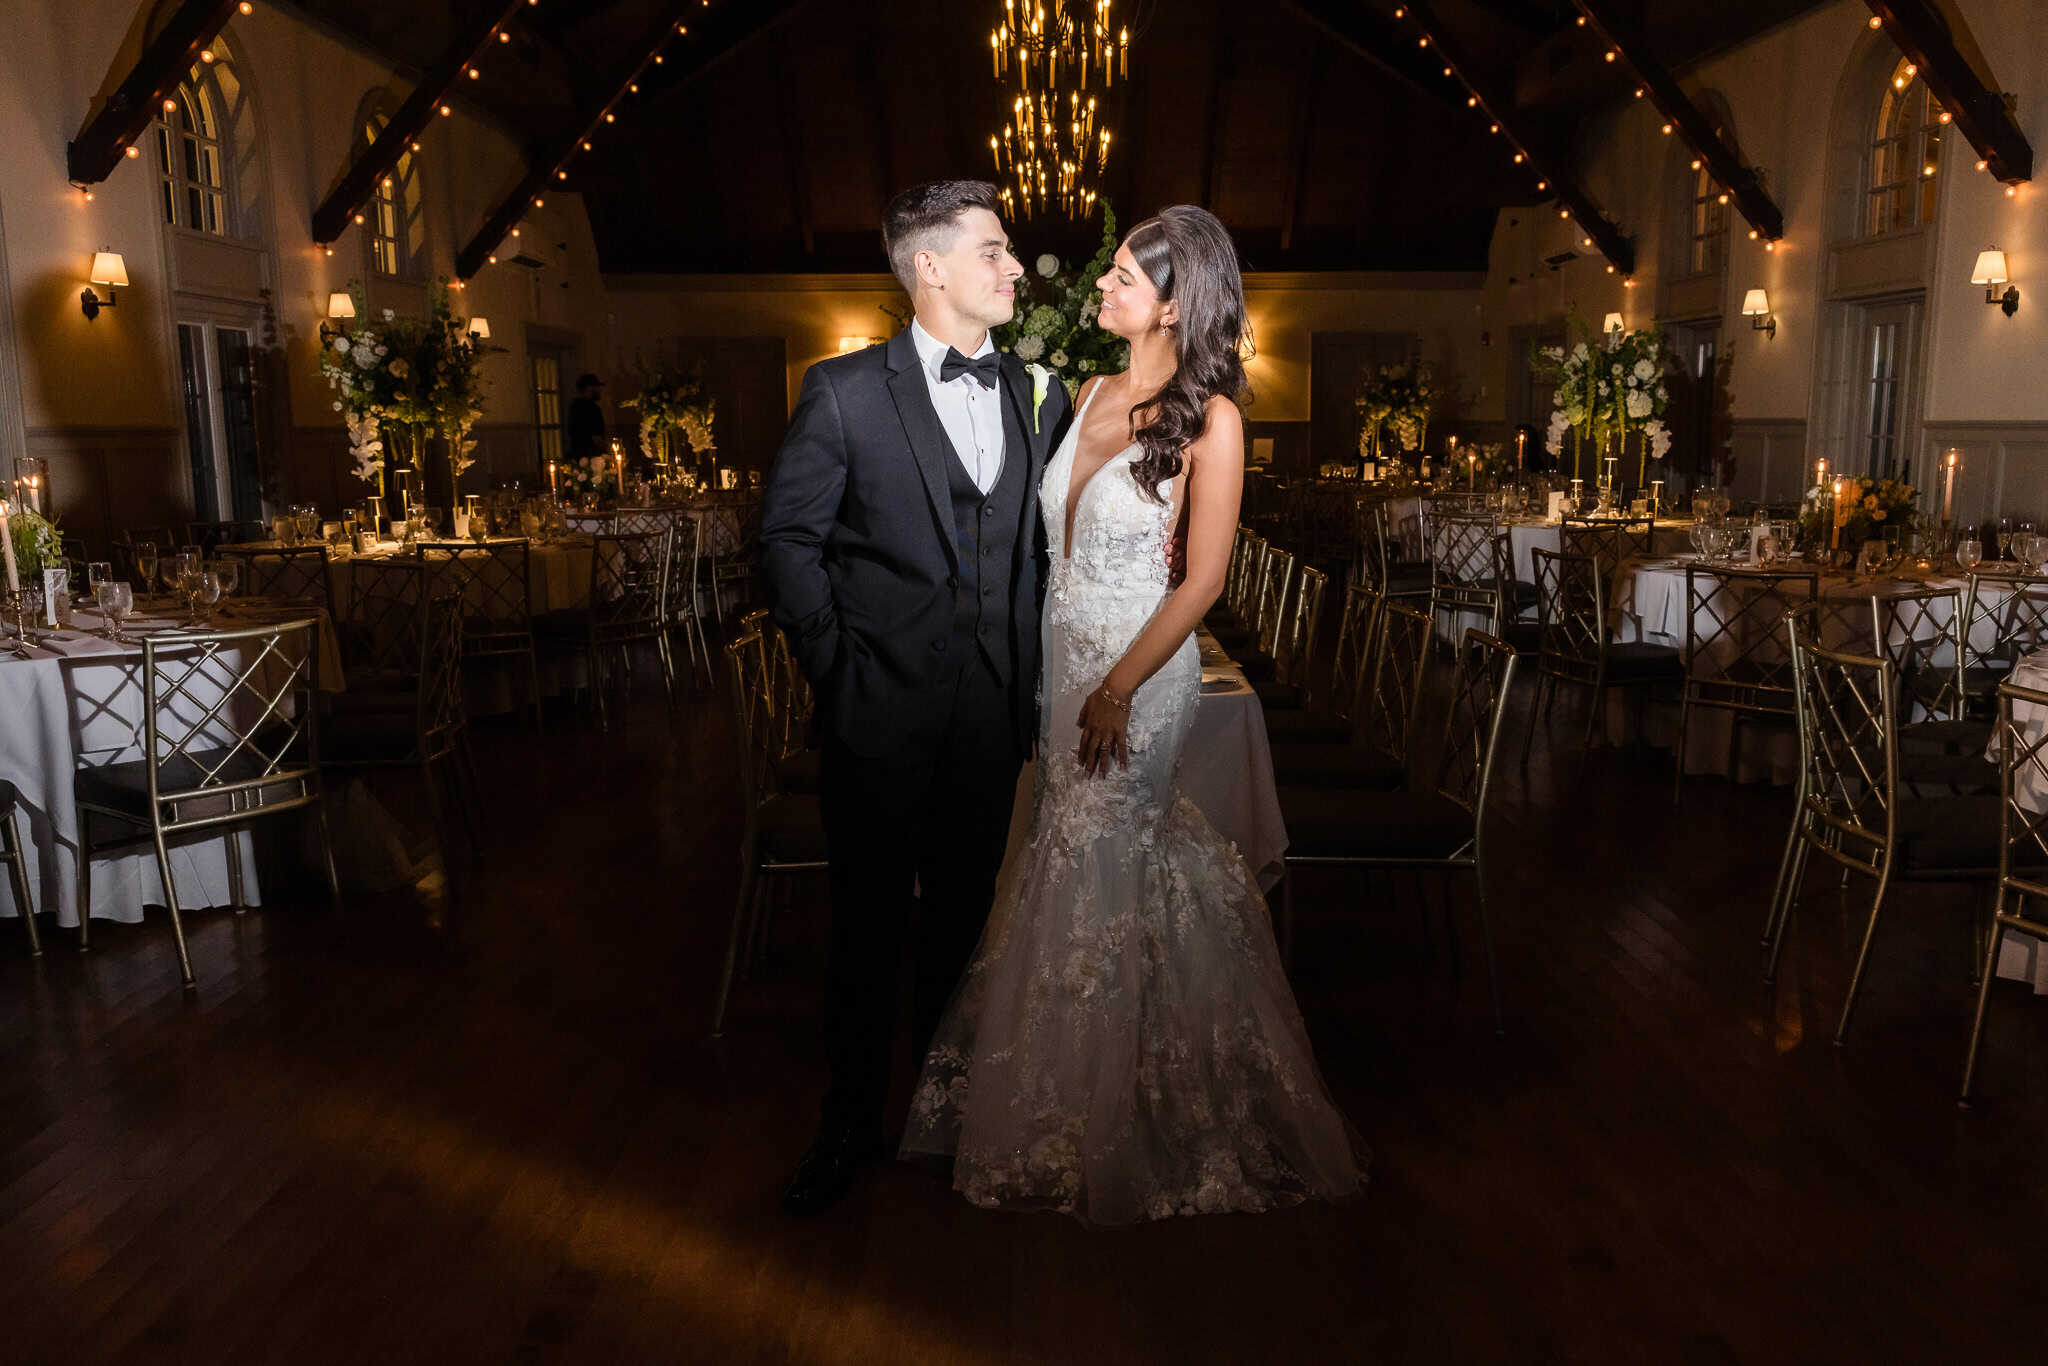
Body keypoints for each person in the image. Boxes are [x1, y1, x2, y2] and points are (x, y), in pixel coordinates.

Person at [900, 205, 1364, 1225]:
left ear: (1172, 302)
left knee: (1105, 850)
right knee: (1067, 854)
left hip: (1137, 676)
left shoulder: (1216, 420)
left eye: (1119, 276)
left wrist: (1114, 688)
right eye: (1106, 272)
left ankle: (1114, 1120)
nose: (1098, 288)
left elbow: (1200, 582)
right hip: (1060, 670)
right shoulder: (1094, 388)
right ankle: (1059, 1095)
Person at [757, 180, 1073, 1216]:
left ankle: (943, 1119)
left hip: (990, 714)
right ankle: (845, 1124)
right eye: (992, 251)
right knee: (864, 931)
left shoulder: (1037, 392)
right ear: (926, 267)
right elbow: (787, 541)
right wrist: (840, 671)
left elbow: (1031, 545)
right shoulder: (843, 392)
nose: (1015, 269)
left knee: (962, 930)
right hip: (875, 715)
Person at [566, 373, 608, 464]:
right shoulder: (592, 408)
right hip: (592, 457)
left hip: (577, 457)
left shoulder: (574, 406)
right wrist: (608, 452)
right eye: (597, 387)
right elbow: (596, 437)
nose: (600, 390)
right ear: (589, 388)